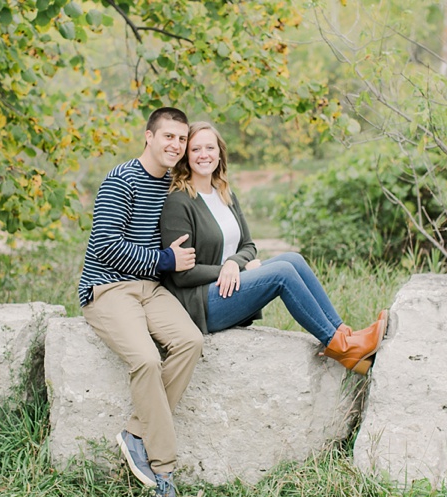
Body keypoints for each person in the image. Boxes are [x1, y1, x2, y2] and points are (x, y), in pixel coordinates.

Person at [158, 121, 388, 372]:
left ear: (220, 152)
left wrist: (235, 263)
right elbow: (180, 274)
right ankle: (342, 349)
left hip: (229, 287)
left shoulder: (224, 193)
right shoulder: (178, 202)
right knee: (282, 274)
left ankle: (346, 335)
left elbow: (248, 245)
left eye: (210, 148)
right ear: (186, 157)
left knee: (293, 260)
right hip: (201, 304)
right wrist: (227, 269)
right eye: (196, 149)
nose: (204, 155)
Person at [79, 107, 202, 497]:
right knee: (147, 360)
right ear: (148, 137)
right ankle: (163, 474)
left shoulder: (173, 184)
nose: (176, 145)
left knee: (189, 342)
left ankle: (135, 432)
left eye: (181, 139)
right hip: (108, 288)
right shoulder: (121, 179)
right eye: (168, 136)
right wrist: (165, 261)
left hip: (151, 288)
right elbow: (105, 247)